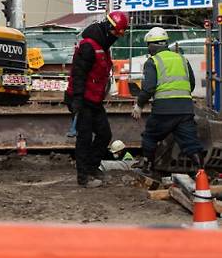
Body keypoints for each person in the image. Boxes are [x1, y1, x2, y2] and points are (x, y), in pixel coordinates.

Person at [65, 11, 129, 188]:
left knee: (104, 134)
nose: (118, 37)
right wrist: (77, 100)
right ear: (109, 28)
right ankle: (83, 177)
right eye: (117, 33)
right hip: (81, 98)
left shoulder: (103, 45)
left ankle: (92, 167)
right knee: (84, 138)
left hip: (93, 100)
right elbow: (78, 74)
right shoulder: (89, 46)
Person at [132, 27, 203, 172]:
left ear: (152, 45)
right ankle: (200, 172)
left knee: (150, 137)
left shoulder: (153, 61)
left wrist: (139, 105)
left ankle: (148, 168)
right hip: (185, 109)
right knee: (190, 142)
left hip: (163, 110)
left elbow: (148, 88)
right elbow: (192, 83)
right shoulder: (182, 59)